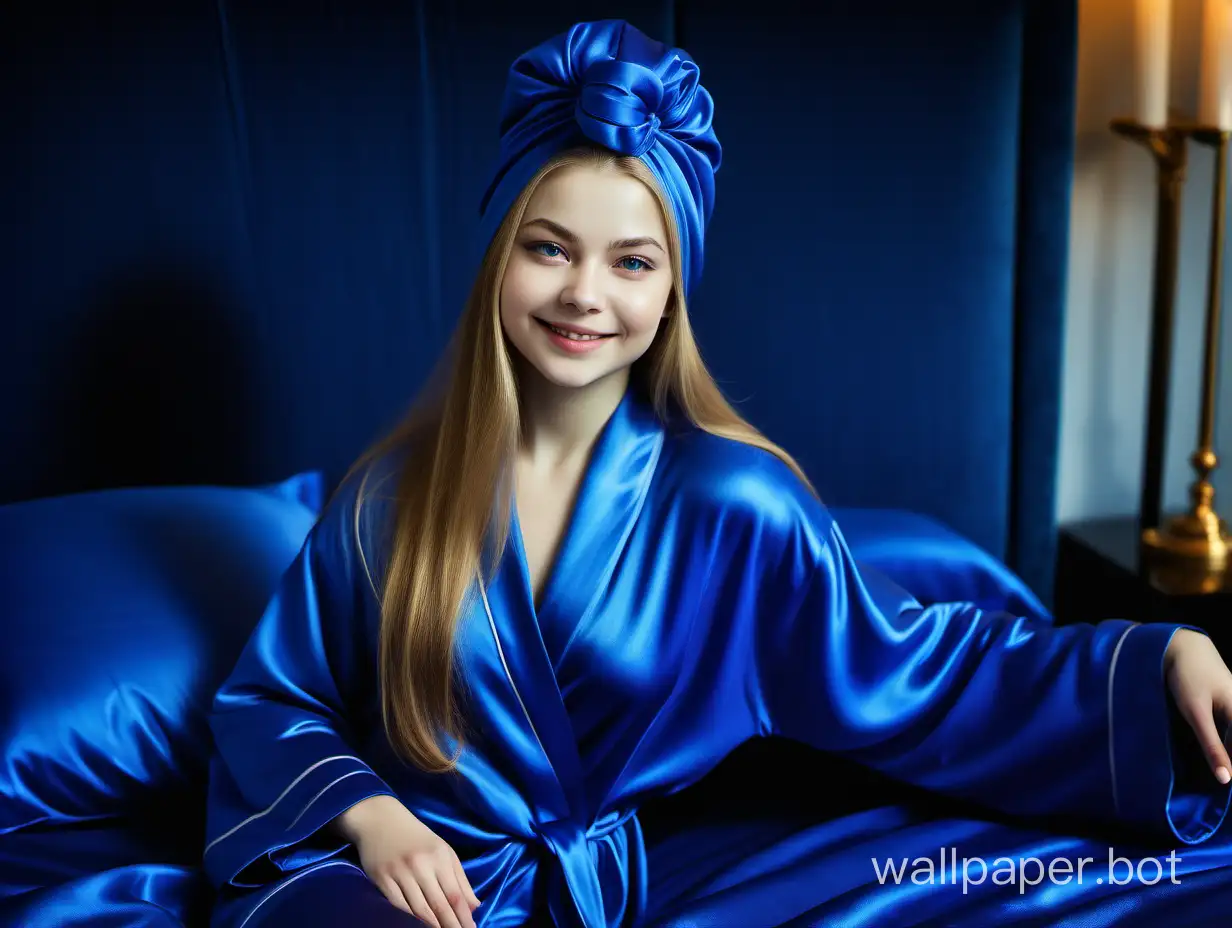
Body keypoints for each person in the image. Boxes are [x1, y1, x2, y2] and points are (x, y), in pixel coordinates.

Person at [201, 19, 1232, 928]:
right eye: (547, 248)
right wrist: (375, 820)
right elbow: (270, 700)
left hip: (576, 893)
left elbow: (923, 672)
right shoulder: (387, 498)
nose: (583, 293)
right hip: (373, 884)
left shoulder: (734, 503)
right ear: (497, 256)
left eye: (630, 261)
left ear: (670, 290)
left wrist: (1148, 668)